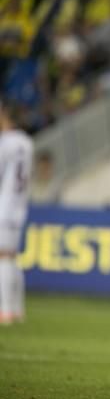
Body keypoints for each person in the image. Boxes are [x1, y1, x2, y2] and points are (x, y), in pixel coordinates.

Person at [0, 100, 34, 325]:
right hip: (19, 208)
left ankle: (5, 311)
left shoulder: (6, 142)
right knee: (11, 257)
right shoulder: (27, 142)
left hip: (4, 207)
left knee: (3, 258)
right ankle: (17, 310)